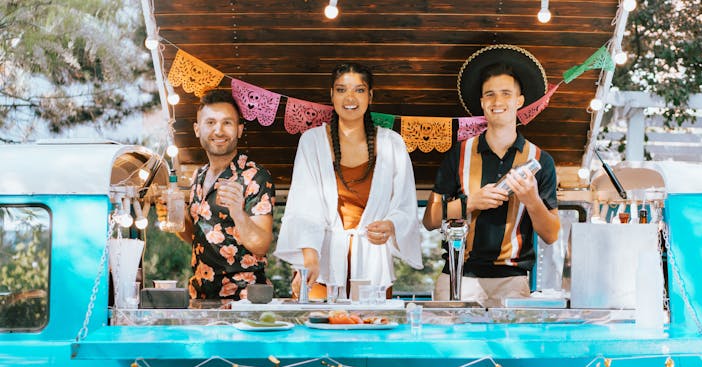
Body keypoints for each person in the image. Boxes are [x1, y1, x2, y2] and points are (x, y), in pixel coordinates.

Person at [423, 45, 560, 307]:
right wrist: (470, 203)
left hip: (513, 282)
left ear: (519, 101)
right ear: (482, 103)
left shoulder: (541, 161)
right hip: (458, 279)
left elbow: (551, 235)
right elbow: (429, 219)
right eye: (490, 95)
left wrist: (531, 199)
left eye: (506, 94)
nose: (498, 102)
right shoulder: (459, 154)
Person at [275, 62, 423, 298]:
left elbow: (405, 203)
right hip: (320, 261)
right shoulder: (312, 142)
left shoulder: (392, 144)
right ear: (331, 95)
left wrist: (391, 225)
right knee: (318, 330)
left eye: (359, 90)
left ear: (370, 96)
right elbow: (302, 207)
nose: (350, 97)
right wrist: (309, 259)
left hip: (373, 262)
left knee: (373, 330)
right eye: (342, 89)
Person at [176, 88, 275, 301]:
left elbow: (261, 245)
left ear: (239, 130)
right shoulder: (198, 177)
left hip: (244, 300)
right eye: (210, 123)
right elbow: (199, 239)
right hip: (201, 296)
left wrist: (238, 213)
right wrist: (177, 219)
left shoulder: (254, 176)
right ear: (197, 129)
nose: (218, 131)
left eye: (227, 123)